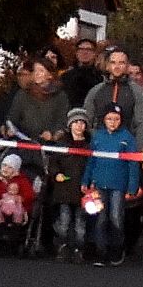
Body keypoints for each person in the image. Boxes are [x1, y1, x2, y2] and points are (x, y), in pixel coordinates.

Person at [82, 103, 139, 267]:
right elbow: (91, 160)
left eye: (116, 119)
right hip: (99, 183)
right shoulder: (98, 136)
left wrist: (132, 186)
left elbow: (133, 164)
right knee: (100, 218)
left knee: (116, 218)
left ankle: (116, 249)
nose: (113, 122)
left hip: (118, 185)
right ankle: (101, 251)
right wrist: (86, 180)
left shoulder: (127, 138)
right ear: (104, 120)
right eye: (109, 119)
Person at [80, 48, 143, 148]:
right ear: (108, 66)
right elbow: (87, 120)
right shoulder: (96, 91)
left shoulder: (136, 92)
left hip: (126, 149)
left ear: (127, 66)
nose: (117, 67)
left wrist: (138, 152)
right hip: (98, 148)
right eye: (113, 62)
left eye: (121, 63)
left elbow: (142, 124)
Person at [47, 108, 93, 261]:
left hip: (82, 191)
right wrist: (56, 174)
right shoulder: (61, 144)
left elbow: (91, 166)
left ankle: (79, 249)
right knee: (64, 221)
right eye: (76, 122)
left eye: (82, 123)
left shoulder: (89, 146)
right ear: (70, 125)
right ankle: (62, 247)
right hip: (64, 190)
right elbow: (53, 162)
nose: (79, 126)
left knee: (80, 224)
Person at [0, 154, 36, 223]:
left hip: (18, 209)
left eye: (10, 167)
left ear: (15, 170)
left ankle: (16, 225)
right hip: (1, 207)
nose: (5, 169)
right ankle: (0, 224)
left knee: (19, 213)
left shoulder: (22, 180)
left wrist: (20, 198)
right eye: (4, 165)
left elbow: (30, 195)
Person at [61, 38, 104, 107]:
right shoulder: (66, 77)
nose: (85, 52)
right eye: (81, 49)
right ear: (76, 52)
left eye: (88, 49)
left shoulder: (101, 78)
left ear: (94, 54)